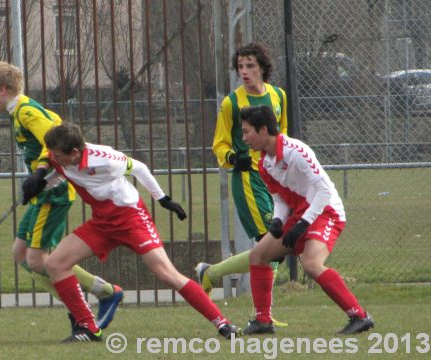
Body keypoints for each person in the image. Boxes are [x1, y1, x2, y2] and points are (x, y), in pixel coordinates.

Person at [29, 122, 242, 342]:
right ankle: (88, 327)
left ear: (74, 152)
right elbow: (58, 172)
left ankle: (223, 323)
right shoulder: (61, 157)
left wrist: (163, 198)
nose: (53, 158)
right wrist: (38, 182)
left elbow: (139, 168)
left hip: (131, 219)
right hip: (102, 222)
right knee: (55, 264)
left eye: (57, 155)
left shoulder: (105, 159)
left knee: (167, 274)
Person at [0, 62, 123, 332]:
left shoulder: (25, 112)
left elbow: (55, 139)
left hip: (54, 193)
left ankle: (85, 309)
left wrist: (41, 171)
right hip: (44, 193)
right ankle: (100, 294)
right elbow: (55, 123)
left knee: (36, 259)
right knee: (21, 253)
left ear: (2, 89)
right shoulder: (20, 110)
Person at [237, 105, 374, 335]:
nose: (244, 138)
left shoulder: (295, 151)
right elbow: (279, 199)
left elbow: (323, 191)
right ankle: (263, 321)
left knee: (311, 263)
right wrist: (278, 221)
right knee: (258, 256)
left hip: (326, 211)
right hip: (302, 214)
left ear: (262, 130)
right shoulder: (264, 163)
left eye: (246, 131)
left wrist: (302, 225)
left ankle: (359, 316)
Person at [196, 43, 288, 327]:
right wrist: (233, 157)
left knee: (273, 249)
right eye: (240, 67)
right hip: (249, 180)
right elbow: (219, 144)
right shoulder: (231, 103)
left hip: (274, 177)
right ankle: (264, 315)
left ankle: (211, 274)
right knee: (269, 244)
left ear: (262, 67)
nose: (244, 72)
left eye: (250, 65)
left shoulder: (278, 96)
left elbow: (281, 134)